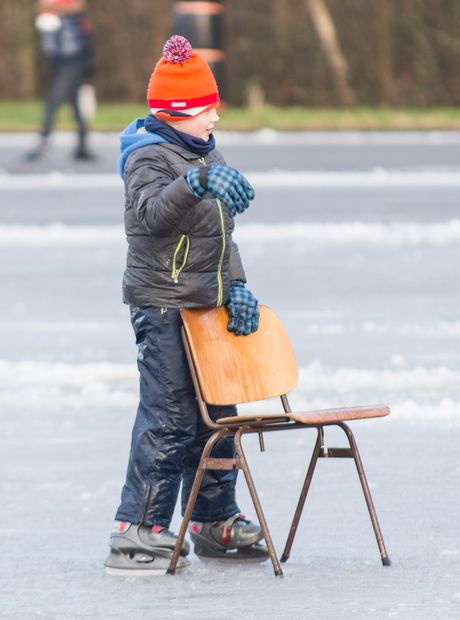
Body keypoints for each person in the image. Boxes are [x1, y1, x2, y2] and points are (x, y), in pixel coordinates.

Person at [105, 35, 264, 575]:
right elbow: (148, 216)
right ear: (176, 111)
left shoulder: (204, 150)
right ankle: (139, 527)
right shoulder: (148, 156)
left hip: (205, 302)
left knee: (218, 414)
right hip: (163, 304)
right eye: (206, 107)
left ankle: (213, 519)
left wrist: (236, 286)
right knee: (170, 415)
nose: (216, 115)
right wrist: (195, 182)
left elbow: (222, 235)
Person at [26, 0, 94, 162]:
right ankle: (82, 145)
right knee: (75, 105)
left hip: (71, 61)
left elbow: (78, 6)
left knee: (54, 101)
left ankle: (43, 143)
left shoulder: (70, 16)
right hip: (58, 61)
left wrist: (54, 7)